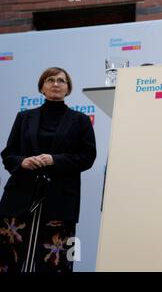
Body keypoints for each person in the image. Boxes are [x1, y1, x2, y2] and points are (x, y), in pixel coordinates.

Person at [0, 67, 96, 272]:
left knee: (55, 262)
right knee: (9, 258)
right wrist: (22, 162)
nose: (55, 84)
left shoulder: (80, 120)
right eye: (50, 80)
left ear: (68, 88)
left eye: (61, 80)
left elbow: (87, 157)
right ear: (42, 87)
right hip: (19, 196)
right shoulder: (24, 117)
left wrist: (55, 160)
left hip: (60, 199)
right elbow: (8, 154)